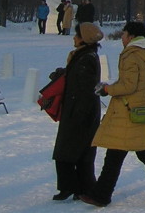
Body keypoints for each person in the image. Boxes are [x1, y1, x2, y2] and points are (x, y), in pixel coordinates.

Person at [81, 21, 145, 207]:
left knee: (122, 152)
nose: (122, 38)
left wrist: (107, 89)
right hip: (139, 109)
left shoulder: (132, 55)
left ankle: (101, 195)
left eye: (124, 34)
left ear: (131, 36)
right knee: (135, 151)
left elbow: (129, 86)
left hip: (128, 110)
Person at [50, 22, 104, 201]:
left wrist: (80, 114)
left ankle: (76, 187)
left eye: (77, 35)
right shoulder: (83, 56)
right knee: (78, 151)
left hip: (80, 112)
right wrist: (62, 73)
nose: (74, 38)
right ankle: (80, 187)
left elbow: (87, 88)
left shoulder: (85, 58)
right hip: (78, 110)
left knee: (70, 151)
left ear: (84, 39)